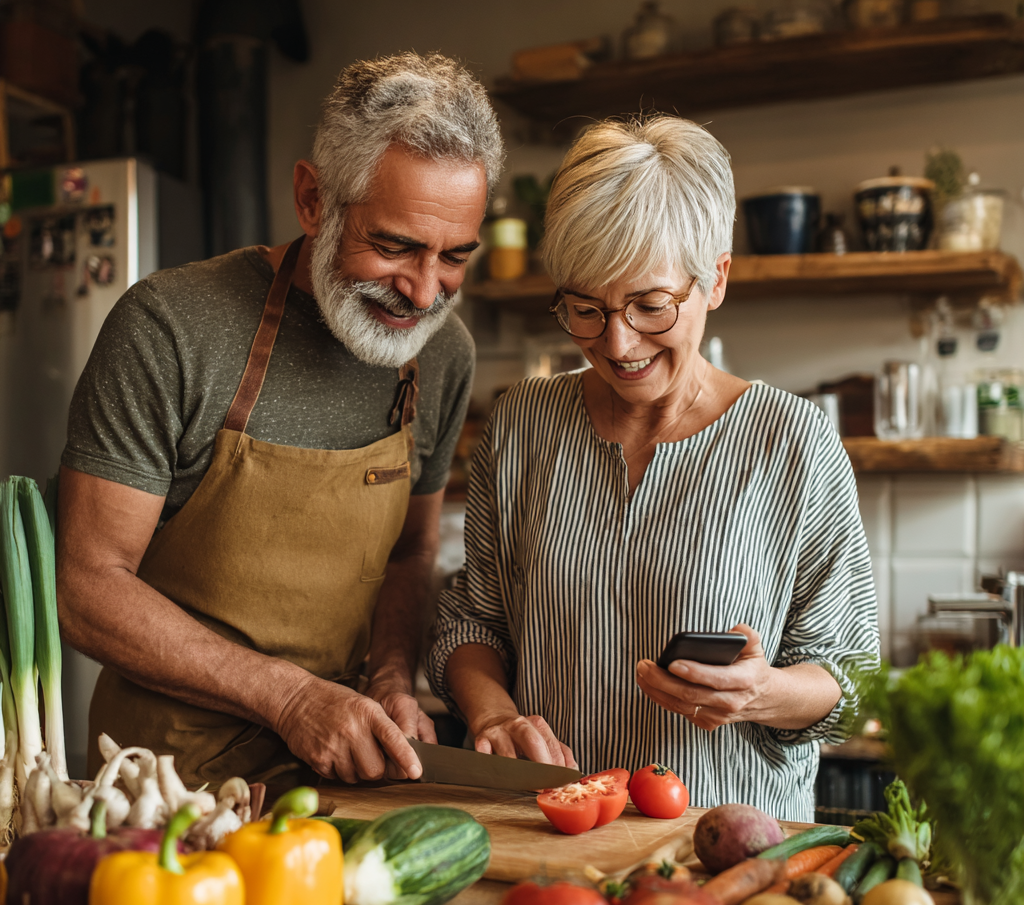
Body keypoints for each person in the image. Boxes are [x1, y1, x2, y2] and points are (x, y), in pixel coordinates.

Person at [57, 53, 504, 789]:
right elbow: (88, 587)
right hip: (169, 784)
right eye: (393, 246)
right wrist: (290, 697)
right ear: (313, 200)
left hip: (347, 774)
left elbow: (411, 553)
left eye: (454, 255)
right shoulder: (170, 327)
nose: (424, 292)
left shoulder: (442, 354)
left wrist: (392, 675)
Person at [429, 116, 878, 821]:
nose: (616, 341)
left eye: (650, 304)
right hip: (551, 830)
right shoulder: (520, 426)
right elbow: (472, 622)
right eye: (585, 307)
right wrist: (492, 717)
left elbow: (850, 677)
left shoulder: (794, 443)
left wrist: (762, 693)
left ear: (717, 279)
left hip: (724, 850)